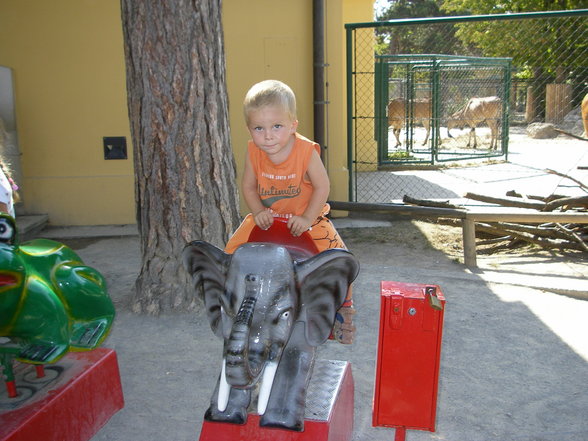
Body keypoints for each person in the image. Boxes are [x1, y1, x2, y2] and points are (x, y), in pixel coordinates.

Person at [224, 79, 355, 344]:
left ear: (293, 125)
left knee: (340, 259)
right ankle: (230, 300)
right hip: (268, 218)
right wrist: (258, 210)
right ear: (249, 129)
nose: (268, 135)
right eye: (259, 128)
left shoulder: (305, 151)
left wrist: (307, 217)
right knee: (230, 251)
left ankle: (345, 308)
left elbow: (322, 186)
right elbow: (248, 186)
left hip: (307, 218)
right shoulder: (253, 151)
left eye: (277, 126)